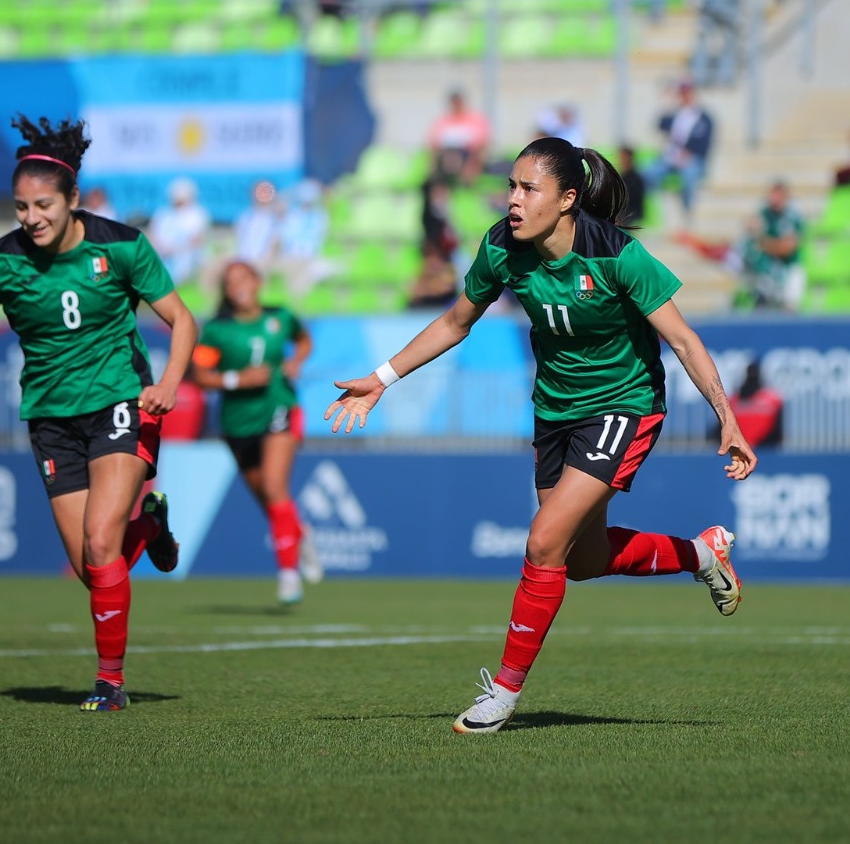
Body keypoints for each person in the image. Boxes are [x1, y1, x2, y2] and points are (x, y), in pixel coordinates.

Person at [323, 137, 757, 733]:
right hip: (555, 412)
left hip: (623, 407)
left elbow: (683, 340)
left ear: (567, 199)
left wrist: (727, 418)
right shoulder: (501, 248)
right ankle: (704, 554)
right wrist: (381, 379)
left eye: (530, 189)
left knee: (544, 541)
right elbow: (455, 322)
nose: (514, 201)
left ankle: (501, 694)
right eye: (511, 186)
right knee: (581, 560)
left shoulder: (616, 255)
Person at [0, 117, 199, 712]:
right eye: (21, 206)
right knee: (93, 567)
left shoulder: (122, 245)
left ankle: (110, 683)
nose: (30, 217)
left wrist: (168, 382)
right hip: (51, 420)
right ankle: (151, 527)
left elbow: (182, 319)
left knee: (101, 541)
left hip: (118, 402)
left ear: (73, 200)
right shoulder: (1, 261)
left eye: (43, 205)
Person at [191, 261, 322, 604]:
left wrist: (296, 362)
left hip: (279, 405)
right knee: (266, 498)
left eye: (244, 278)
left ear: (257, 281)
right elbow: (201, 375)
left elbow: (303, 339)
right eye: (231, 281)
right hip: (237, 422)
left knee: (275, 486)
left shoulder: (280, 316)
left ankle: (288, 575)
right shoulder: (217, 330)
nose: (239, 286)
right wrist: (237, 379)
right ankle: (299, 534)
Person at [644, 79, 715, 226]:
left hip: (692, 159)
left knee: (689, 176)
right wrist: (666, 102)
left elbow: (704, 143)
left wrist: (688, 154)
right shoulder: (676, 115)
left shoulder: (703, 118)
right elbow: (659, 124)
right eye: (682, 93)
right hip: (672, 158)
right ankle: (657, 211)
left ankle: (687, 215)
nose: (684, 97)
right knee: (648, 173)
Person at [734, 180, 804, 311]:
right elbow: (752, 230)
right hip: (771, 272)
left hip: (790, 269)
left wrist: (765, 243)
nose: (775, 199)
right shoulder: (765, 214)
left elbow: (787, 247)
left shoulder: (792, 216)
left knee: (791, 308)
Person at [149, 176, 211, 286]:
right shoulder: (163, 214)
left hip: (189, 264)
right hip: (165, 261)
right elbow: (154, 238)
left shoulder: (198, 214)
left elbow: (197, 239)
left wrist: (177, 249)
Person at [427, 89, 491, 186]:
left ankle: (466, 182)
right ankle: (440, 183)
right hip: (447, 153)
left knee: (472, 157)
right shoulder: (443, 120)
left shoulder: (475, 119)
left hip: (468, 153)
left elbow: (482, 141)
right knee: (442, 157)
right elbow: (434, 142)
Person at [728, 359, 782, 449]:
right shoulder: (733, 400)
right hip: (746, 448)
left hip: (764, 448)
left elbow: (776, 430)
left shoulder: (772, 400)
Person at [407, 242, 459, 308]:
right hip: (426, 306)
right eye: (429, 256)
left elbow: (446, 288)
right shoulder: (422, 269)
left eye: (435, 256)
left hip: (445, 304)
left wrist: (428, 287)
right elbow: (414, 291)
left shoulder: (448, 269)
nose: (432, 261)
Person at [617, 145, 647, 227]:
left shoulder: (636, 178)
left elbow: (632, 199)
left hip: (632, 213)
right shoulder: (621, 176)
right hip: (624, 213)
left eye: (624, 158)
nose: (622, 160)